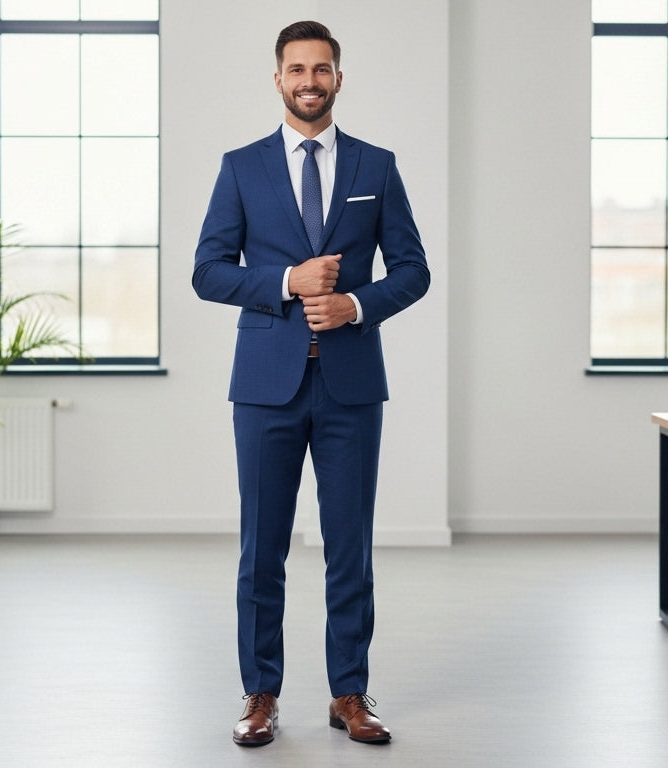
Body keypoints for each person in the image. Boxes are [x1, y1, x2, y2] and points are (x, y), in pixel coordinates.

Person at [192, 19, 430, 748]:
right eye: (296, 69)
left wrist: (356, 304)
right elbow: (207, 271)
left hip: (351, 387)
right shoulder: (242, 167)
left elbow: (414, 269)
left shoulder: (376, 167)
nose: (309, 80)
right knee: (261, 548)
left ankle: (349, 693)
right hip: (265, 387)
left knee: (349, 546)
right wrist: (286, 283)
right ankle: (260, 695)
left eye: (321, 69)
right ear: (277, 79)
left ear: (338, 78)